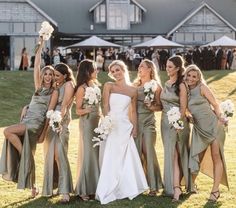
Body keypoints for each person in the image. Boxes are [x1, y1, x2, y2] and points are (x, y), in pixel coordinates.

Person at [0, 38, 57, 197]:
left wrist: (43, 133)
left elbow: (49, 114)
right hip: (26, 119)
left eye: (50, 75)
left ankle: (23, 151)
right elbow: (36, 65)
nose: (47, 76)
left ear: (53, 77)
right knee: (27, 156)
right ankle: (33, 187)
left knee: (8, 132)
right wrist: (40, 45)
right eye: (45, 74)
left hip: (35, 124)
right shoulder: (38, 88)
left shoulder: (54, 92)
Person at [95, 60, 148, 204]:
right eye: (112, 71)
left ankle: (126, 186)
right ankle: (109, 187)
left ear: (123, 70)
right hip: (111, 124)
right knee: (111, 155)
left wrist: (135, 127)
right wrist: (106, 123)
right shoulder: (109, 86)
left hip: (125, 126)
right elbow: (105, 105)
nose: (115, 73)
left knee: (125, 156)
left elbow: (133, 111)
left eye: (117, 70)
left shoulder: (133, 90)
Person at [184, 64, 229, 202]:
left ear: (198, 78)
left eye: (194, 76)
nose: (191, 78)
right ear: (185, 75)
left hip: (213, 126)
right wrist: (189, 118)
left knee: (216, 156)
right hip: (199, 129)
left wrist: (221, 118)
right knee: (196, 155)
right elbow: (185, 110)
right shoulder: (184, 91)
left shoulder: (202, 87)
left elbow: (215, 104)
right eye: (189, 75)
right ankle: (191, 186)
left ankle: (215, 191)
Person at [42, 63, 75, 203]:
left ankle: (66, 192)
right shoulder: (57, 87)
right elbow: (50, 105)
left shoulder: (68, 85)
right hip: (52, 122)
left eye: (57, 75)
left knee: (61, 155)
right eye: (53, 75)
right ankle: (54, 187)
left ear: (65, 75)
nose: (54, 78)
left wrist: (58, 122)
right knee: (54, 156)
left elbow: (65, 106)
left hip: (61, 122)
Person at [160, 55, 191, 201]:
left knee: (176, 154)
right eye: (166, 66)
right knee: (171, 154)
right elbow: (161, 105)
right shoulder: (166, 83)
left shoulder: (182, 85)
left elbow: (183, 108)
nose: (167, 69)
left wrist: (179, 123)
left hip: (177, 124)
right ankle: (176, 184)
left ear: (178, 68)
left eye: (170, 67)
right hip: (164, 123)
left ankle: (176, 188)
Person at [133, 59, 163, 196]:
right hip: (135, 122)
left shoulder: (156, 85)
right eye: (139, 66)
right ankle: (139, 185)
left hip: (148, 121)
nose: (139, 68)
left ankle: (154, 185)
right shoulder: (135, 84)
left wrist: (151, 106)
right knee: (136, 152)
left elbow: (160, 106)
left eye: (142, 66)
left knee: (149, 151)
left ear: (150, 69)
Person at [74, 59, 101, 200]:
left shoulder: (95, 85)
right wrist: (88, 109)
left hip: (97, 122)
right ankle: (83, 189)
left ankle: (95, 186)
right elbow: (77, 110)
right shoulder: (81, 88)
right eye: (94, 69)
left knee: (96, 154)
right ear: (88, 71)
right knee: (88, 154)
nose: (97, 71)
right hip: (87, 123)